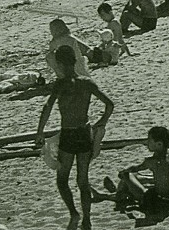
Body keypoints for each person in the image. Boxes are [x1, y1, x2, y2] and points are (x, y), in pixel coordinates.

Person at [35, 45, 114, 230]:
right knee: (83, 180)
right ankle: (87, 220)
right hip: (85, 132)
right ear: (75, 61)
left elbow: (47, 108)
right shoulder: (87, 82)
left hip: (69, 133)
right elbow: (109, 105)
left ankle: (74, 213)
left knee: (62, 180)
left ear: (60, 64)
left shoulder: (60, 84)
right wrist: (101, 122)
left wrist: (40, 131)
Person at [108, 126, 169, 216]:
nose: (147, 143)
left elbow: (135, 168)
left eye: (150, 141)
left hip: (155, 201)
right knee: (138, 178)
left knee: (127, 176)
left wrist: (123, 173)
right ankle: (119, 193)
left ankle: (113, 195)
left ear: (159, 144)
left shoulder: (152, 161)